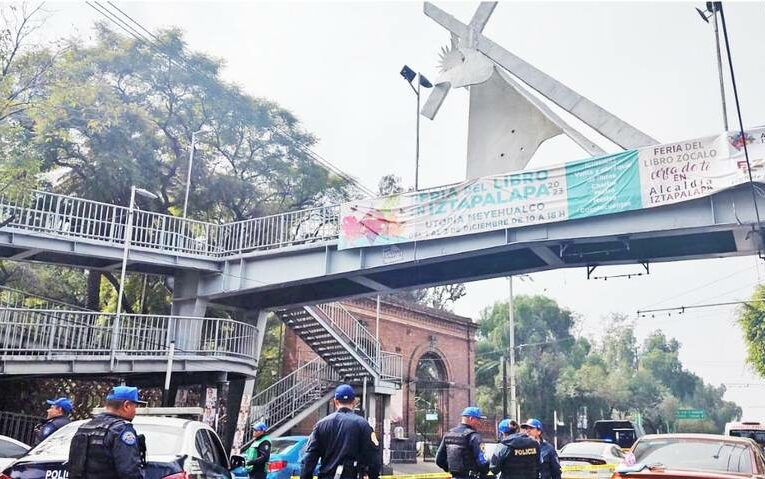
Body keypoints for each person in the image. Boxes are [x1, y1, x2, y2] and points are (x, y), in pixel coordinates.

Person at [300, 384, 380, 479]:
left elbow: (309, 459)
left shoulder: (321, 425)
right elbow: (373, 458)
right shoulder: (363, 425)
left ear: (335, 402)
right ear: (354, 402)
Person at [68, 386, 147, 479]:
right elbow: (129, 472)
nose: (135, 411)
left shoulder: (84, 427)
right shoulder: (121, 429)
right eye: (135, 406)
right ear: (127, 405)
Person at [435, 407, 489, 479]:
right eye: (478, 420)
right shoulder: (474, 436)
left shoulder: (448, 434)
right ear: (471, 419)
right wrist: (485, 471)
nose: (480, 423)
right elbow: (482, 462)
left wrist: (452, 470)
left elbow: (439, 460)